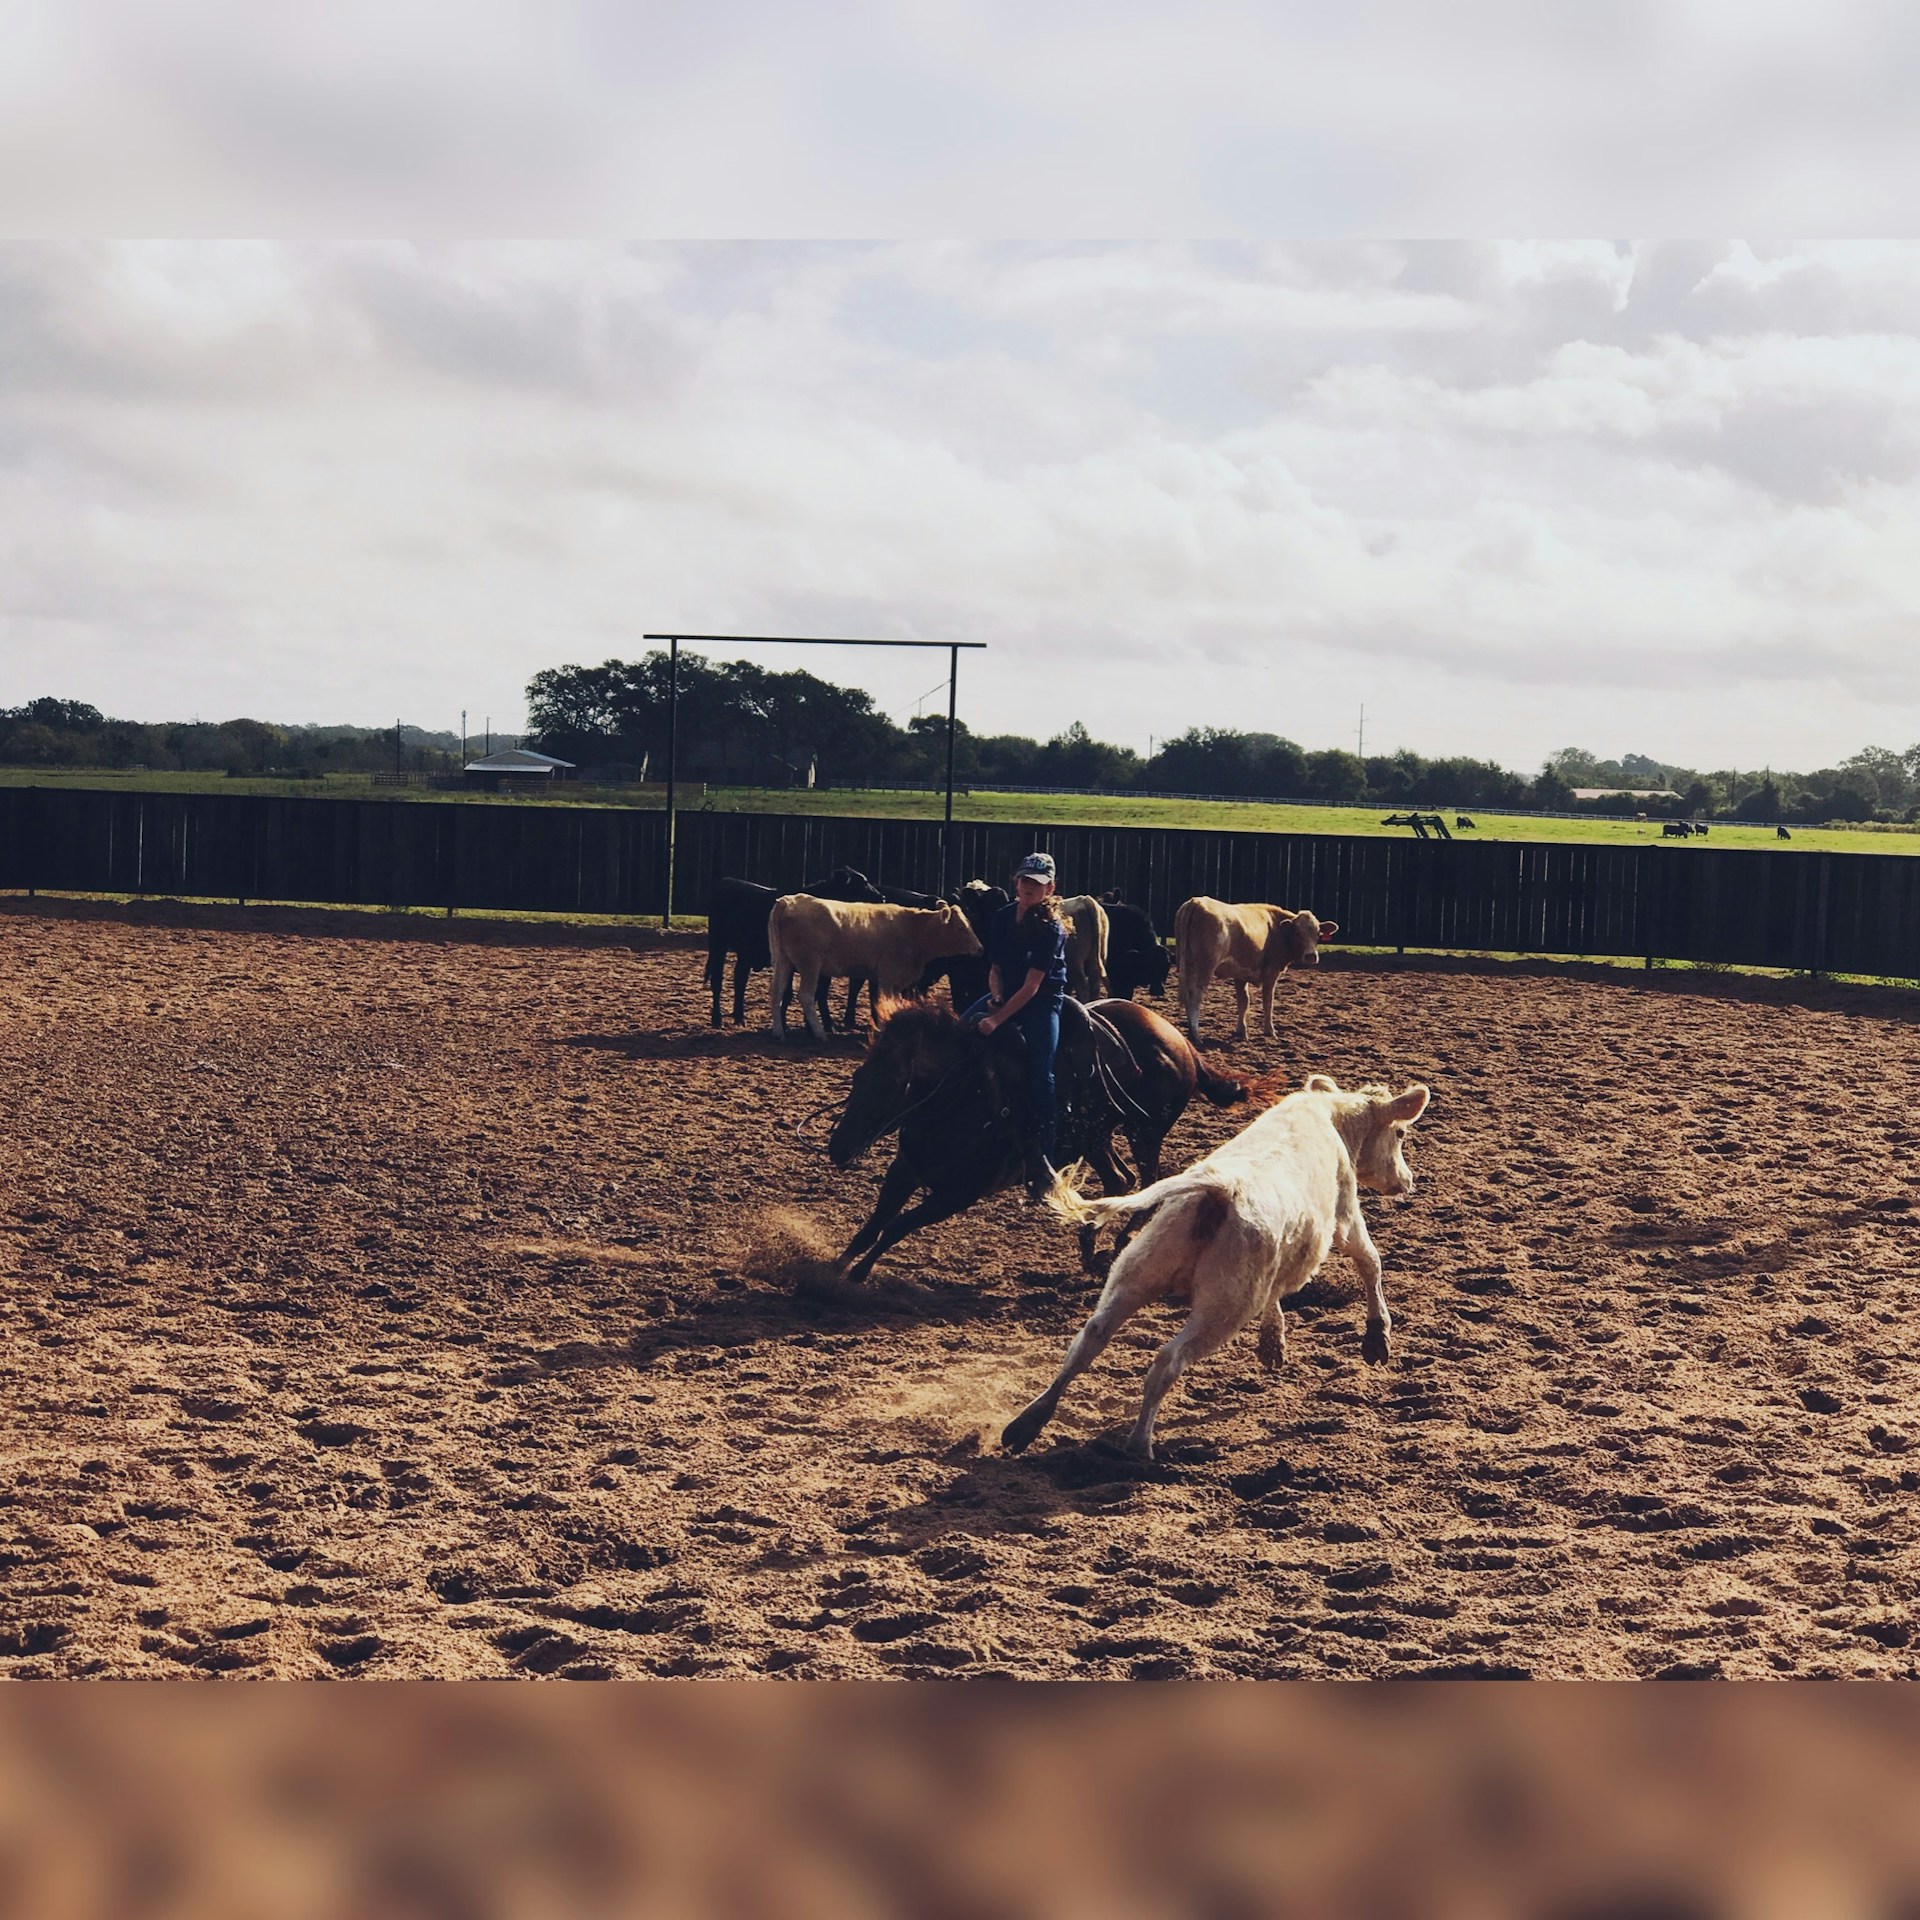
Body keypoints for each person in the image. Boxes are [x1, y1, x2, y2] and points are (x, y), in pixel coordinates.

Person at [969, 851, 1069, 1200]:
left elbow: (1033, 986)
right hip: (1006, 993)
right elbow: (995, 968)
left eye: (1037, 884)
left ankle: (1046, 1163)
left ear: (1049, 889)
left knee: (1042, 1074)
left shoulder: (1052, 928)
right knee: (957, 1036)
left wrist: (997, 1019)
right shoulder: (1001, 917)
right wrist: (995, 997)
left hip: (1041, 1002)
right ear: (1016, 882)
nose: (1029, 887)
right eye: (1025, 880)